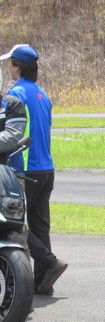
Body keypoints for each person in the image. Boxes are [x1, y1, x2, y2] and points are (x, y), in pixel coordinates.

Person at [0, 44, 67, 295]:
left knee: (14, 224)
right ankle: (42, 282)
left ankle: (44, 265)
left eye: (10, 62)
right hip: (46, 166)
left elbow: (14, 133)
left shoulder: (16, 93)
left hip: (25, 165)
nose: (8, 66)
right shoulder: (42, 93)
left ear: (17, 66)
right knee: (40, 225)